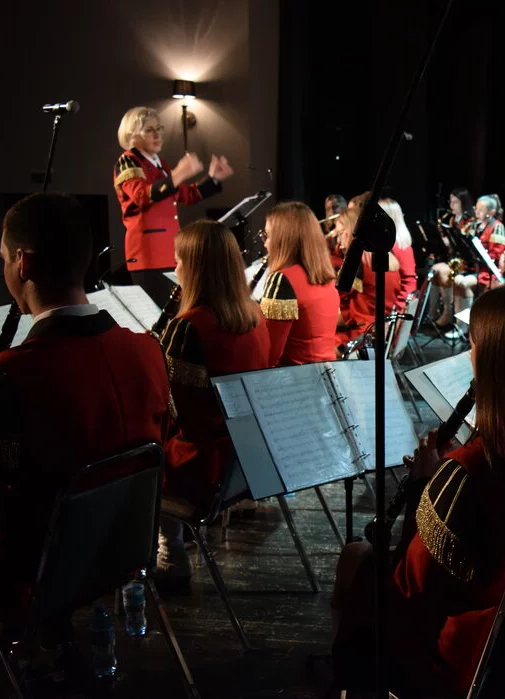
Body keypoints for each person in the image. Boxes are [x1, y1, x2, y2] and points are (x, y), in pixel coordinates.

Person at [330, 285, 505, 696]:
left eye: (473, 346)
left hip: (466, 664)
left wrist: (425, 486)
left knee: (355, 558)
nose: (469, 356)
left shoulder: (473, 471)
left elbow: (411, 592)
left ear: (495, 362)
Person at [0, 193, 170, 625]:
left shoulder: (9, 375)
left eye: (3, 259)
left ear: (22, 263)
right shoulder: (150, 351)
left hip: (29, 572)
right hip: (120, 553)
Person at [155, 220, 271, 588]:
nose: (175, 268)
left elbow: (175, 410)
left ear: (195, 268)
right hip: (242, 458)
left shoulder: (189, 327)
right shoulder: (255, 317)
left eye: (179, 260)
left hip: (200, 465)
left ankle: (170, 553)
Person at [113, 106, 233, 306]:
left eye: (159, 128)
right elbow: (141, 196)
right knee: (162, 313)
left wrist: (213, 179)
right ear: (132, 135)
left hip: (170, 252)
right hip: (148, 255)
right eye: (149, 130)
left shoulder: (160, 164)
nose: (157, 135)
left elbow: (186, 196)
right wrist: (178, 174)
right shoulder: (128, 161)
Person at [258, 202, 340, 364]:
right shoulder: (326, 277)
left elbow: (269, 354)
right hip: (327, 372)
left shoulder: (282, 279)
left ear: (284, 240)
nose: (265, 244)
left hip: (294, 375)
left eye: (268, 236)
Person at [333, 207, 402, 346]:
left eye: (340, 233)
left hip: (363, 336)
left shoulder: (358, 265)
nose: (339, 241)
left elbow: (340, 298)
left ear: (351, 232)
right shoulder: (386, 257)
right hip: (381, 331)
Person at [430, 188, 475, 326]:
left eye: (455, 202)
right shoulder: (452, 220)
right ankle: (435, 313)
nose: (451, 205)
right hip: (455, 260)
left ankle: (449, 314)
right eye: (451, 201)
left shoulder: (470, 221)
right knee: (435, 269)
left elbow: (468, 248)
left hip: (468, 265)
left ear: (463, 203)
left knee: (442, 271)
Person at [380, 198, 418, 310]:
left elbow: (409, 282)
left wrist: (398, 309)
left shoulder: (401, 247)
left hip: (395, 309)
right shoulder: (385, 243)